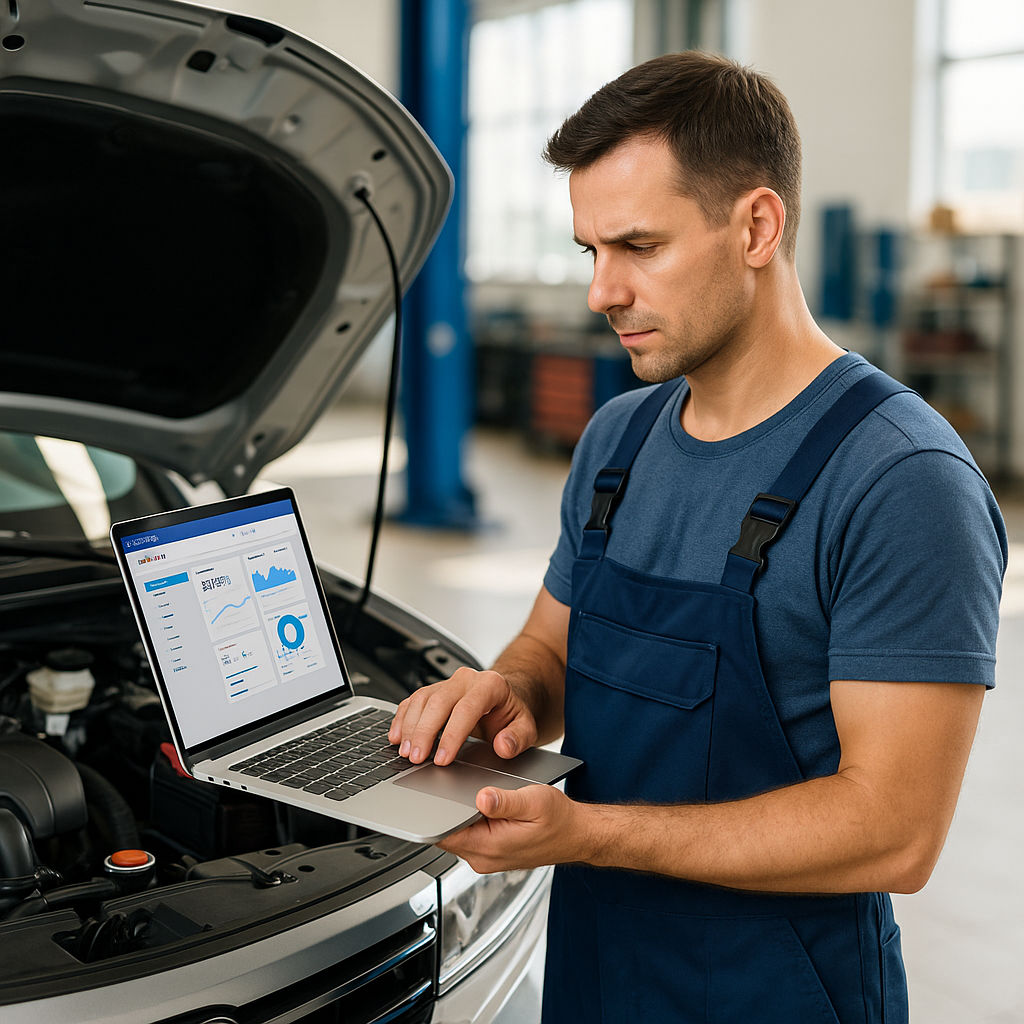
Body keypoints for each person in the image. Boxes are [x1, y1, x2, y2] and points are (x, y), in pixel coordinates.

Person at [389, 50, 1007, 1023]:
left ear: (756, 225)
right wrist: (504, 691)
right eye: (590, 251)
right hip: (600, 970)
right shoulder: (615, 441)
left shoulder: (898, 479)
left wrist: (585, 832)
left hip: (778, 995)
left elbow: (892, 831)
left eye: (638, 246)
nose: (602, 291)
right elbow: (553, 645)